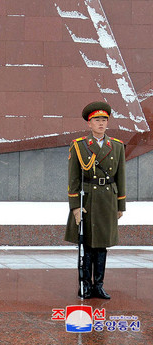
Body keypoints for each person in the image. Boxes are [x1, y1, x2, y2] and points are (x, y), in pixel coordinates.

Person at [65, 101, 126, 299]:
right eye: (97, 120)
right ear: (89, 124)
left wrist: (120, 205)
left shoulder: (116, 146)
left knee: (102, 245)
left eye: (104, 120)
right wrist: (75, 207)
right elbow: (73, 178)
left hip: (108, 199)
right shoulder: (80, 145)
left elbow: (121, 177)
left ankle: (99, 285)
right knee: (87, 244)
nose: (101, 124)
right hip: (88, 199)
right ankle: (85, 286)